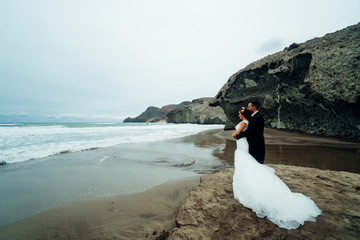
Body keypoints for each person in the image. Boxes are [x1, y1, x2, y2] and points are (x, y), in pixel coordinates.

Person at [232, 108, 322, 229]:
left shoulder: (244, 122)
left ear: (243, 115)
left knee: (244, 166)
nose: (238, 115)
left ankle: (247, 189)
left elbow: (236, 134)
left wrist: (235, 134)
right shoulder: (249, 122)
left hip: (242, 146)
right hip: (244, 144)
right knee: (248, 165)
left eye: (239, 113)